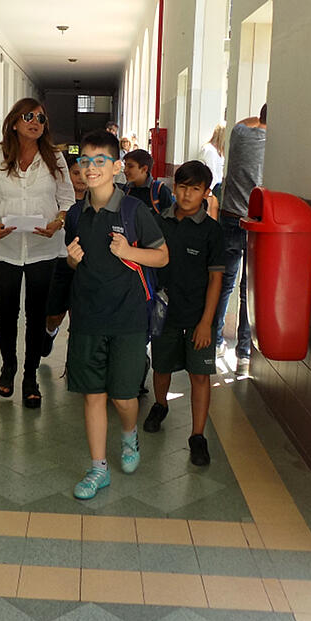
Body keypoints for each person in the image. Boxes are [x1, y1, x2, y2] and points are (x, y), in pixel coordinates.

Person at [64, 130, 168, 500]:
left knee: (123, 398)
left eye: (100, 161)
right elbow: (78, 263)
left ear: (116, 167)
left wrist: (129, 252)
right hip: (87, 317)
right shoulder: (75, 214)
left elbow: (162, 256)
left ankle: (128, 434)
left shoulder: (134, 211)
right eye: (85, 161)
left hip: (128, 319)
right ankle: (98, 468)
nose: (91, 168)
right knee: (93, 395)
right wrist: (72, 261)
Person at [0, 98, 75, 407]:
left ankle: (30, 376)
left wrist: (58, 222)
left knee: (36, 313)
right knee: (5, 311)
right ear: (15, 122)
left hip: (43, 247)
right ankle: (8, 366)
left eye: (41, 119)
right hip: (5, 245)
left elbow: (67, 200)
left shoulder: (55, 158)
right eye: (28, 116)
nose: (35, 122)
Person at [141, 160, 224, 467]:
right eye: (183, 187)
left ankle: (197, 435)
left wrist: (206, 322)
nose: (187, 195)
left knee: (199, 375)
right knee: (161, 367)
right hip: (164, 313)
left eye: (195, 189)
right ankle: (160, 405)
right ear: (173, 188)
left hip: (199, 316)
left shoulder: (212, 231)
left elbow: (216, 279)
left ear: (206, 193)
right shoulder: (158, 222)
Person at [215, 103, 267, 376]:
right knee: (249, 289)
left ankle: (215, 342)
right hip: (257, 223)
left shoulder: (240, 134)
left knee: (224, 283)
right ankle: (244, 355)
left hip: (230, 216)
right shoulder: (276, 146)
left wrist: (259, 118)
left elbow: (244, 122)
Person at [41, 154, 88, 357]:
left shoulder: (96, 202)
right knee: (54, 315)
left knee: (79, 316)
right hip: (58, 261)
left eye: (84, 173)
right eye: (75, 173)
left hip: (85, 265)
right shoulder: (55, 200)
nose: (81, 178)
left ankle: (74, 361)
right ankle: (50, 331)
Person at [122, 149, 173, 213]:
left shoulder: (160, 191)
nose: (125, 170)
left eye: (130, 166)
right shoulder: (126, 189)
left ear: (144, 169)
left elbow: (168, 216)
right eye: (125, 165)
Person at [199, 123, 226, 218]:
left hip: (217, 189)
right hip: (211, 191)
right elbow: (211, 173)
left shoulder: (218, 151)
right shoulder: (209, 150)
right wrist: (208, 193)